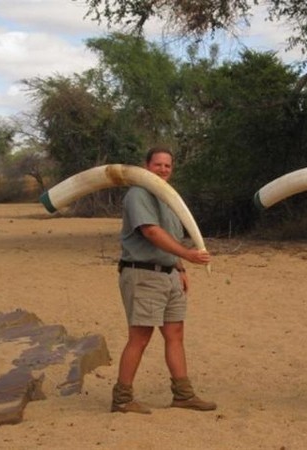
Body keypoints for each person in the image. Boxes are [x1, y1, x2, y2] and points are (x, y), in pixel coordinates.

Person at [111, 147, 216, 414]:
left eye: (168, 165)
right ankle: (122, 398)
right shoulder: (138, 194)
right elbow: (152, 232)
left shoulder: (168, 197)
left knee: (175, 334)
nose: (163, 170)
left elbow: (171, 236)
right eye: (158, 165)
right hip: (143, 274)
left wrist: (179, 266)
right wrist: (188, 256)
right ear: (146, 166)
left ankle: (183, 395)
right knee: (140, 337)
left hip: (168, 275)